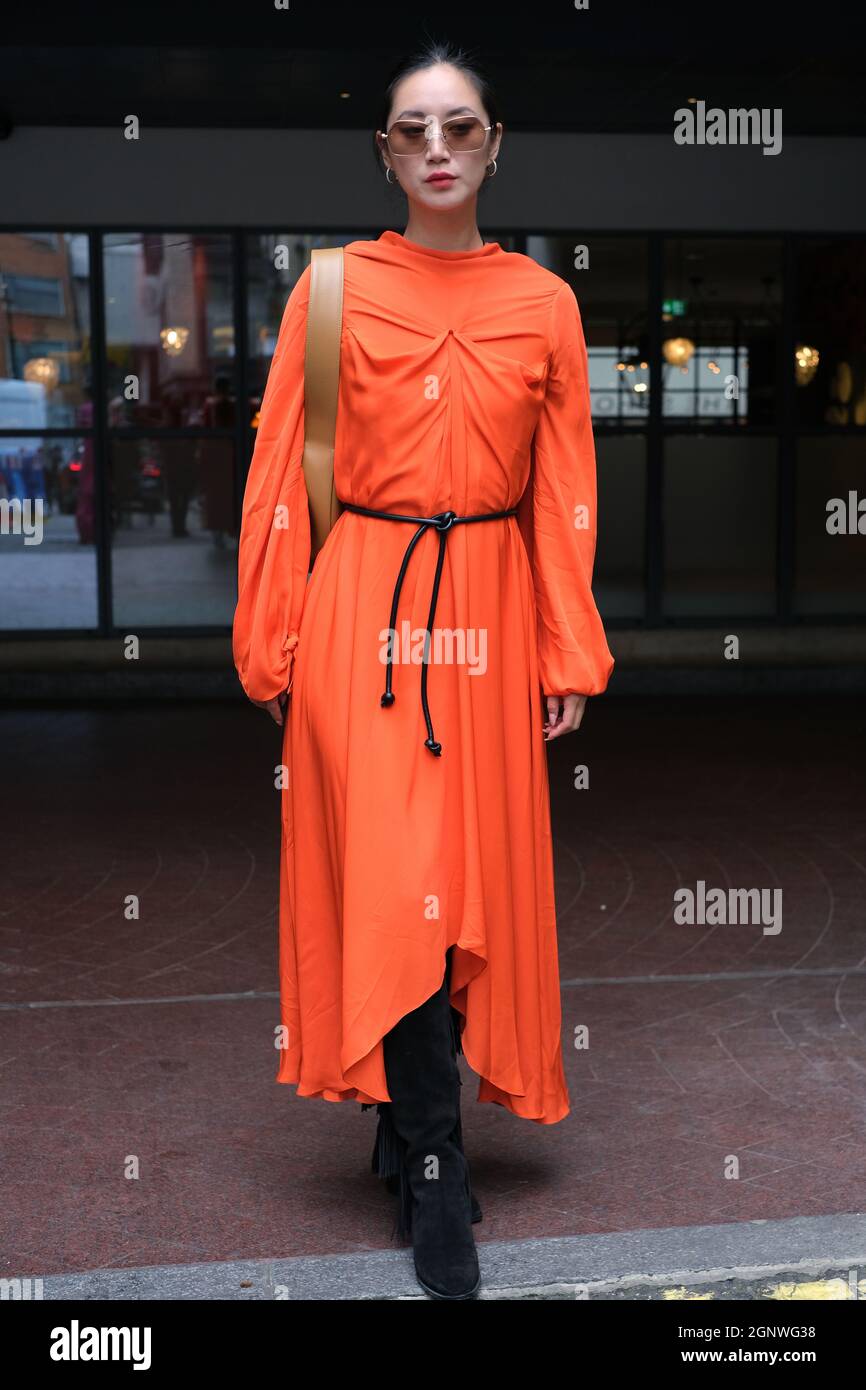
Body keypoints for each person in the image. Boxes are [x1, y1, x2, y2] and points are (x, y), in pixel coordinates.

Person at [232, 41, 614, 1301]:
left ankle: (404, 1131)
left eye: (459, 126)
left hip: (494, 609)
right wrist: (272, 638)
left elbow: (563, 491)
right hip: (364, 617)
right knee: (397, 879)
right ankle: (440, 1168)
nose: (437, 147)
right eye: (412, 129)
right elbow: (284, 473)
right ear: (384, 153)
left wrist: (567, 642)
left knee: (466, 886)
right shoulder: (329, 290)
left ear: (493, 144)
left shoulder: (542, 303)